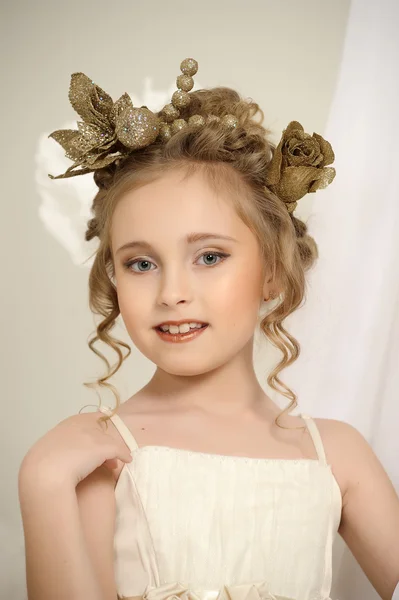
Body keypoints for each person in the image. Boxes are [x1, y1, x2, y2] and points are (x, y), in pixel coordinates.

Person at [18, 58, 399, 600]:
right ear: (113, 279)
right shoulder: (97, 455)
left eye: (210, 256)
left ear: (272, 272)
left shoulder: (335, 454)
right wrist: (42, 484)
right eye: (141, 263)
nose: (172, 292)